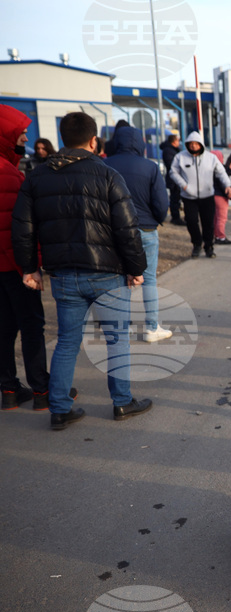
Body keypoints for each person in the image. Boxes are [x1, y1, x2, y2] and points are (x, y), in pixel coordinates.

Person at [12, 112, 152, 430]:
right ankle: (122, 402)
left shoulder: (37, 176)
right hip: (107, 273)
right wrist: (136, 268)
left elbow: (23, 228)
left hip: (63, 273)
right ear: (94, 141)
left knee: (67, 342)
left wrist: (30, 269)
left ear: (62, 139)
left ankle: (59, 408)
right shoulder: (108, 175)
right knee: (117, 340)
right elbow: (127, 229)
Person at [1, 104, 52, 410]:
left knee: (4, 327)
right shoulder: (7, 174)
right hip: (13, 266)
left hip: (4, 267)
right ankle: (42, 391)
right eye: (20, 135)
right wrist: (30, 269)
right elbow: (15, 229)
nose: (25, 140)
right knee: (32, 325)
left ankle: (8, 390)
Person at [104, 125, 172, 342]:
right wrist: (156, 220)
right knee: (149, 279)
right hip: (145, 228)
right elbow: (161, 203)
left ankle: (120, 327)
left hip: (113, 230)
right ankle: (152, 327)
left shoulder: (104, 165)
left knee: (118, 278)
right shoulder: (150, 167)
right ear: (141, 143)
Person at [169, 130, 231, 258]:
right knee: (191, 221)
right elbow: (173, 172)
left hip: (207, 196)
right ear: (187, 144)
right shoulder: (180, 157)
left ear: (201, 144)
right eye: (190, 144)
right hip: (188, 197)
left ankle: (209, 247)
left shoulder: (211, 158)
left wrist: (228, 186)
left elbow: (221, 172)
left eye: (196, 144)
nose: (193, 146)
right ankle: (197, 244)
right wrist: (184, 185)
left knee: (208, 223)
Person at [159, 134, 183, 226]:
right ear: (173, 141)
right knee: (174, 198)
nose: (178, 142)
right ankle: (175, 218)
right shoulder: (169, 151)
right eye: (177, 140)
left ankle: (176, 217)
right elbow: (171, 165)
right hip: (173, 179)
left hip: (174, 178)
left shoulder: (171, 150)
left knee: (176, 198)